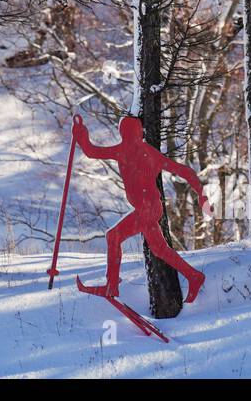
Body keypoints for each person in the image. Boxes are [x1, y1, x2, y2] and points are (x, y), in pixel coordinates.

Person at [73, 115, 211, 303]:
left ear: (125, 133)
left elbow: (91, 151)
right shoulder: (145, 152)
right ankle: (194, 276)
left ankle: (111, 286)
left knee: (113, 237)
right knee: (159, 249)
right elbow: (183, 171)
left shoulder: (124, 150)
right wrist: (81, 135)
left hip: (148, 208)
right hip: (152, 208)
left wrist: (82, 136)